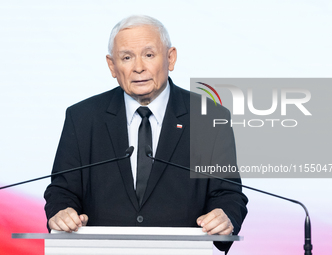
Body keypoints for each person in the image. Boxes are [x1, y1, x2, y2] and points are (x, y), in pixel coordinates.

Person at [44, 15, 248, 253]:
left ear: (170, 58)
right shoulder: (82, 117)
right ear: (112, 66)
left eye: (149, 55)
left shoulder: (210, 117)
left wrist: (225, 217)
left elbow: (228, 194)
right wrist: (61, 213)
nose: (138, 67)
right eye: (127, 57)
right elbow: (62, 190)